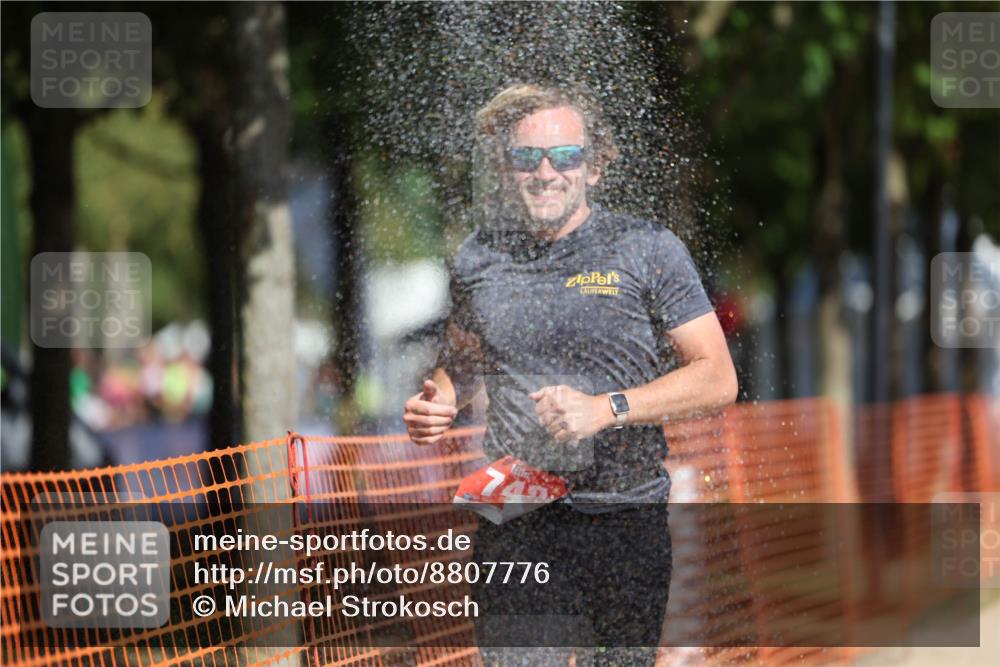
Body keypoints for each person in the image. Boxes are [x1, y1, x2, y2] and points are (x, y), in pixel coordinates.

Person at [403, 83, 738, 666]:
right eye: (526, 157)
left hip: (624, 517)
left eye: (566, 156)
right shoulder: (480, 258)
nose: (545, 172)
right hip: (517, 513)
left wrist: (605, 409)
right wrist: (439, 401)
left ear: (596, 167)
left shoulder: (645, 248)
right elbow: (460, 362)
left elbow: (716, 377)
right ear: (505, 170)